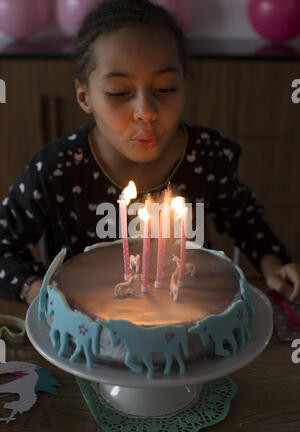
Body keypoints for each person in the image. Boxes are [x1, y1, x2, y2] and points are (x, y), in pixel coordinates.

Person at [0, 0, 299, 306]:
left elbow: (244, 219)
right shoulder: (58, 168)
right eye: (119, 92)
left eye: (166, 88)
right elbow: (4, 244)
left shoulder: (207, 156)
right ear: (84, 97)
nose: (146, 112)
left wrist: (273, 265)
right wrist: (34, 287)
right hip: (85, 338)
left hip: (191, 323)